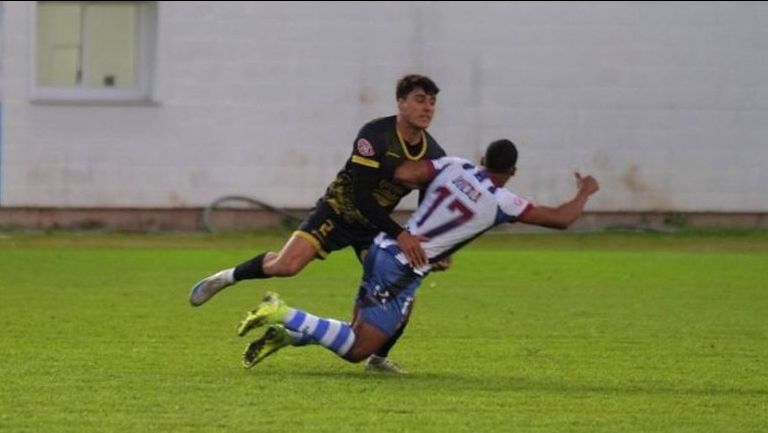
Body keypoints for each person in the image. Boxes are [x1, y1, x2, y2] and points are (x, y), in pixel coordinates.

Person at [235, 139, 600, 369]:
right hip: (402, 267)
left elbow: (407, 172)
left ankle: (287, 335)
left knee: (359, 330)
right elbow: (562, 219)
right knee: (357, 349)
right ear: (512, 171)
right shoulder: (502, 200)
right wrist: (584, 191)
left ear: (482, 158)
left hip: (383, 245)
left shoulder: (452, 165)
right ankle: (283, 311)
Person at [189, 74, 448, 373]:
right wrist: (401, 235)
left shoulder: (433, 155)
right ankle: (225, 278)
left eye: (432, 102)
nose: (427, 108)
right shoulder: (375, 136)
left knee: (402, 296)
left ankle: (377, 359)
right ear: (400, 102)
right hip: (337, 212)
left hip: (374, 230)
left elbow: (427, 210)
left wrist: (434, 247)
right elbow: (362, 198)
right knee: (286, 266)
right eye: (419, 100)